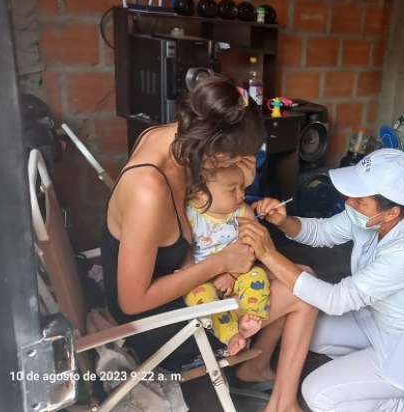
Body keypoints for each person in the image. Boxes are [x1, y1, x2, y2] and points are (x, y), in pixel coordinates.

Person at [101, 77, 317, 412]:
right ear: (216, 155)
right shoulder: (148, 190)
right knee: (306, 288)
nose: (243, 167)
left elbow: (203, 215)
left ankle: (254, 369)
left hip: (182, 283)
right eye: (240, 160)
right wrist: (221, 263)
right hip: (153, 328)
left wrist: (239, 181)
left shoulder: (172, 138)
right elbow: (131, 301)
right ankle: (283, 406)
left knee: (294, 273)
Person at [240, 149, 404, 412]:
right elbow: (322, 232)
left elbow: (336, 301)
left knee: (319, 395)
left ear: (391, 212)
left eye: (360, 200)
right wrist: (284, 221)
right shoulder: (371, 217)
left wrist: (268, 254)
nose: (349, 202)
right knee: (303, 329)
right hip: (376, 323)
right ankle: (369, 376)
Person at [183, 164, 271, 357]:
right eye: (232, 190)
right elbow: (184, 253)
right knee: (198, 297)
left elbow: (252, 248)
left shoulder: (242, 213)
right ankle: (231, 335)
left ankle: (249, 317)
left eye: (243, 188)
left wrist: (233, 274)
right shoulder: (188, 214)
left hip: (236, 272)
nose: (241, 195)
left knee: (258, 275)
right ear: (201, 194)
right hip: (201, 278)